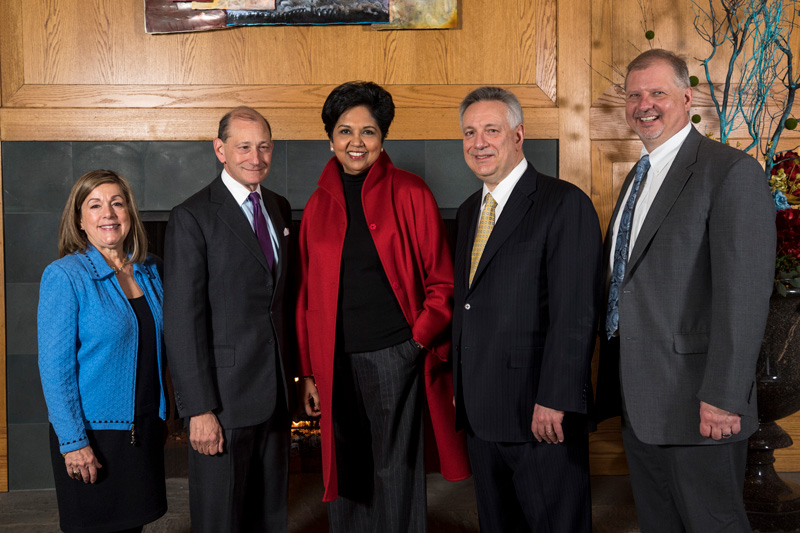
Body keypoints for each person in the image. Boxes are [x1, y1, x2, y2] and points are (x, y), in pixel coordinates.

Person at [595, 49, 776, 531]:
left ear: (687, 98)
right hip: (642, 400)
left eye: (658, 92)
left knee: (712, 523)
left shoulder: (730, 171)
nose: (644, 104)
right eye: (635, 95)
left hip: (701, 403)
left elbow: (745, 297)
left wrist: (724, 395)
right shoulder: (639, 175)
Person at [297, 81, 471, 532]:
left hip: (395, 353)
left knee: (396, 472)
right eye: (345, 131)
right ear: (330, 137)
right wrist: (311, 370)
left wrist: (414, 343)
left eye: (368, 132)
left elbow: (443, 281)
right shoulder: (316, 205)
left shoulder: (412, 193)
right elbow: (307, 297)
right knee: (346, 472)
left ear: (383, 137)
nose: (356, 142)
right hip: (335, 359)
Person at [452, 86, 602, 532]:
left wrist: (554, 398)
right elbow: (470, 305)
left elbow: (575, 313)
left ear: (519, 136)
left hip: (540, 413)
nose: (479, 143)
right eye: (469, 133)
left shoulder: (563, 203)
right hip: (482, 412)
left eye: (491, 130)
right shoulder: (466, 213)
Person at [163, 106, 296, 532]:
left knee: (270, 513)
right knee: (221, 518)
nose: (254, 157)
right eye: (243, 146)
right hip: (222, 402)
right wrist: (198, 409)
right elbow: (182, 321)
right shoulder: (192, 217)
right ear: (220, 150)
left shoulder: (278, 206)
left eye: (263, 146)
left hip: (274, 394)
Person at [38, 169, 168, 533]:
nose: (108, 213)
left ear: (129, 213)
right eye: (95, 205)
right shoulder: (65, 276)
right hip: (94, 434)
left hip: (142, 428)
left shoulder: (151, 270)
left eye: (117, 203)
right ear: (80, 221)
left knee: (135, 527)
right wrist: (74, 442)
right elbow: (54, 369)